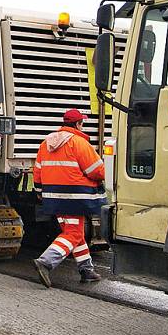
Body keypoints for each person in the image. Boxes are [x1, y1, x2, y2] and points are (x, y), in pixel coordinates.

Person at [32, 108, 106, 286]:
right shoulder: (79, 143)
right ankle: (46, 262)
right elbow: (96, 170)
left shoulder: (46, 143)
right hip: (75, 197)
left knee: (74, 233)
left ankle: (86, 269)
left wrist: (39, 191)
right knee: (73, 233)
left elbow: (38, 171)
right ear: (78, 124)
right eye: (83, 123)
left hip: (53, 197)